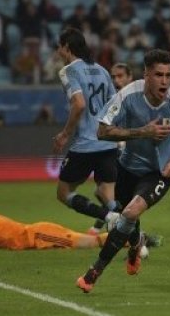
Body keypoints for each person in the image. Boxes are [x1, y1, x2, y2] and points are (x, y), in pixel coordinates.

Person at [76, 49, 170, 293]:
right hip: (127, 166)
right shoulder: (128, 96)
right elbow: (102, 131)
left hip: (161, 172)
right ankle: (136, 244)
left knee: (130, 212)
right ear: (146, 74)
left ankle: (93, 272)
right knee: (125, 215)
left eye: (169, 75)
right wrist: (142, 132)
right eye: (159, 75)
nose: (165, 81)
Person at [52, 27, 120, 230]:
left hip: (85, 145)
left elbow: (79, 104)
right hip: (108, 143)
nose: (58, 52)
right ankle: (136, 238)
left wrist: (65, 134)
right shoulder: (102, 70)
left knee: (63, 193)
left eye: (59, 47)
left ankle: (107, 218)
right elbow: (115, 104)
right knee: (107, 194)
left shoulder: (69, 70)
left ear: (67, 47)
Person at [0, 191, 160, 252]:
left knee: (89, 242)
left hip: (38, 236)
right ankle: (133, 238)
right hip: (37, 233)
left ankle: (135, 238)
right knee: (88, 241)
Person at [86, 62, 134, 236]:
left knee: (107, 193)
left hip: (130, 155)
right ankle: (112, 227)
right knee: (105, 193)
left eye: (120, 76)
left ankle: (132, 237)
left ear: (130, 77)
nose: (116, 80)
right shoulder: (110, 98)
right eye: (113, 77)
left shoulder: (136, 99)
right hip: (113, 150)